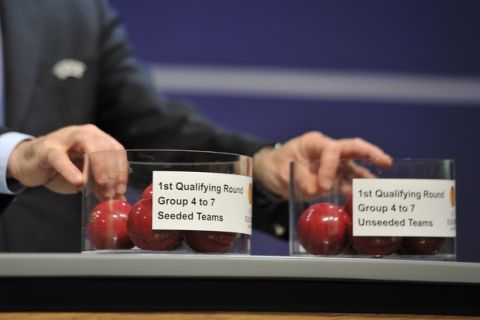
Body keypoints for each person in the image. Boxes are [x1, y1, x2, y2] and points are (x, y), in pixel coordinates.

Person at [0, 0, 391, 252]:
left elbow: (151, 131)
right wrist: (12, 157)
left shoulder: (70, 10)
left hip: (51, 298)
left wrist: (259, 166)